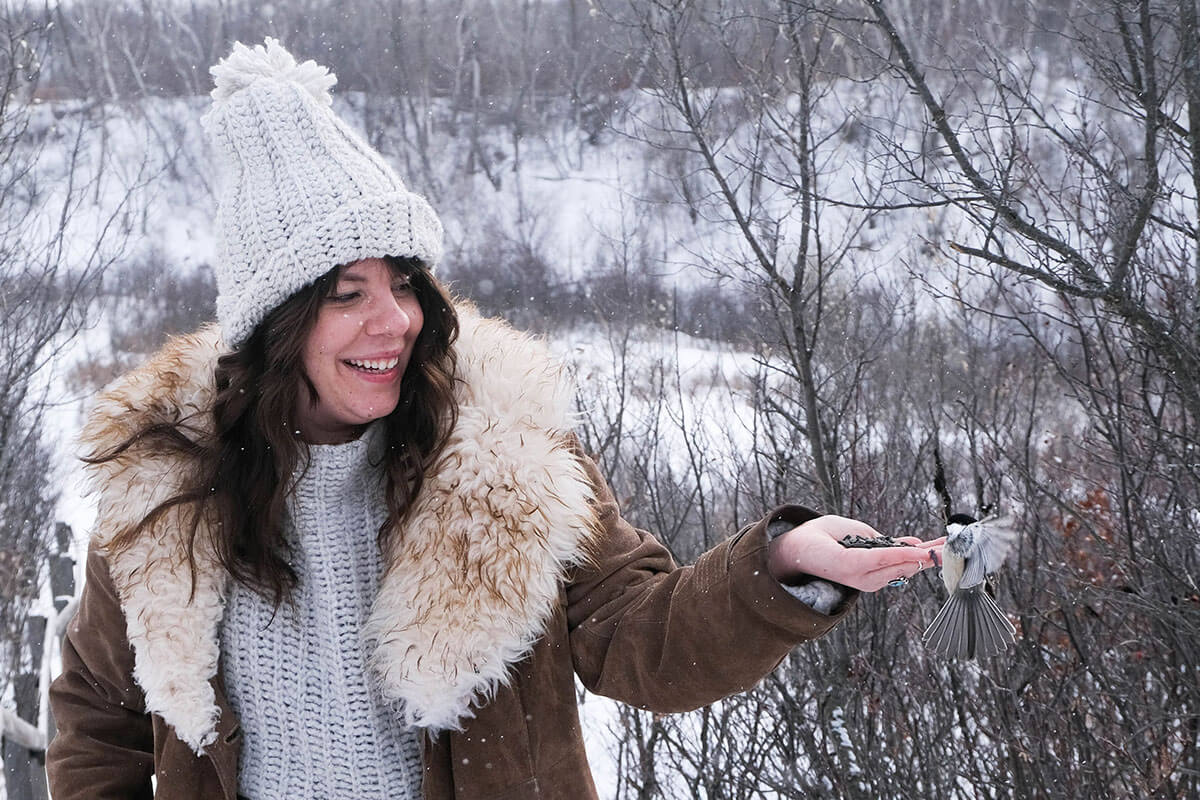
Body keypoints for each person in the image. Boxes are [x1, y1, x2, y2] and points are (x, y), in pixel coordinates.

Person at [46, 39, 943, 800]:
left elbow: (638, 632)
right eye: (346, 294)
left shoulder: (502, 462)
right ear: (277, 325)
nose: (392, 320)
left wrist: (780, 563)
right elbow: (99, 716)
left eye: (402, 282)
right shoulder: (167, 497)